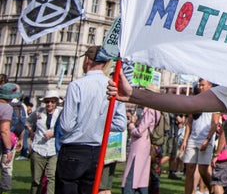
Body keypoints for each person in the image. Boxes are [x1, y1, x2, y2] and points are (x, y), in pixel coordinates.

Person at [56, 46, 127, 194]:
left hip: (74, 148)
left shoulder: (77, 85)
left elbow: (66, 125)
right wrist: (98, 123)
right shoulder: (113, 86)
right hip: (96, 151)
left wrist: (86, 123)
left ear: (87, 60)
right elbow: (120, 124)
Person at [181, 79, 220, 194]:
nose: (201, 87)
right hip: (193, 138)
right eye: (200, 85)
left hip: (205, 140)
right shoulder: (195, 100)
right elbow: (189, 121)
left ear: (210, 86)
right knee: (189, 170)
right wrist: (185, 140)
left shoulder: (215, 102)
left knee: (203, 170)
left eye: (203, 85)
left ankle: (211, 189)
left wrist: (207, 139)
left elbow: (215, 123)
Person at [26, 89, 62, 194]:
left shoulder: (61, 112)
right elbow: (27, 121)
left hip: (53, 149)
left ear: (56, 102)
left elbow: (67, 127)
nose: (49, 104)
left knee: (52, 177)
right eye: (47, 101)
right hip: (38, 148)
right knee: (36, 180)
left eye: (52, 101)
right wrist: (31, 132)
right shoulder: (38, 111)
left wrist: (54, 132)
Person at [123, 106, 161, 194]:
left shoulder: (150, 111)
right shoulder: (155, 111)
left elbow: (139, 131)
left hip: (139, 146)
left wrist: (132, 126)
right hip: (144, 144)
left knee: (131, 177)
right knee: (141, 177)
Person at [0, 83, 22, 193]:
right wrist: (8, 149)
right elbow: (4, 130)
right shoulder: (6, 108)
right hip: (1, 144)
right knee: (6, 169)